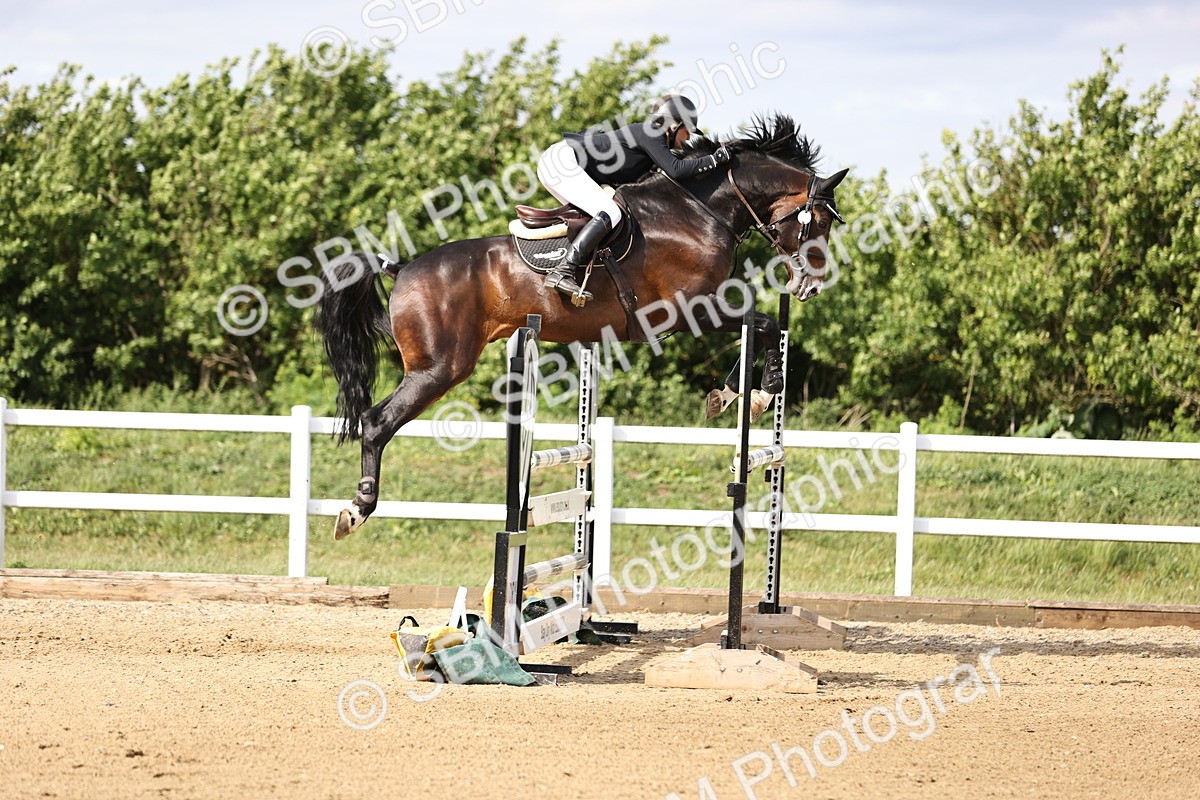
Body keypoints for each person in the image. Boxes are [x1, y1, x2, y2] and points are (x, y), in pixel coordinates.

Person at [535, 95, 732, 300]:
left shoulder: (651, 145)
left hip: (562, 165)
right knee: (610, 213)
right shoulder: (650, 132)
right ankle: (562, 271)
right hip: (562, 162)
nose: (689, 138)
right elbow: (676, 170)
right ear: (674, 124)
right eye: (687, 130)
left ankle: (574, 270)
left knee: (598, 219)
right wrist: (714, 159)